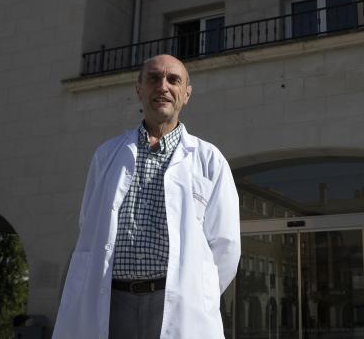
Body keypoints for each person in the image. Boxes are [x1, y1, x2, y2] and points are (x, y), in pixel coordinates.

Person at [52, 54, 241, 339]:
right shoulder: (107, 155)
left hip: (177, 301)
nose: (163, 86)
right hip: (112, 300)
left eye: (173, 80)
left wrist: (197, 290)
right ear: (138, 89)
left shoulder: (209, 160)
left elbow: (226, 245)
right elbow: (88, 226)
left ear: (186, 94)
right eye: (153, 78)